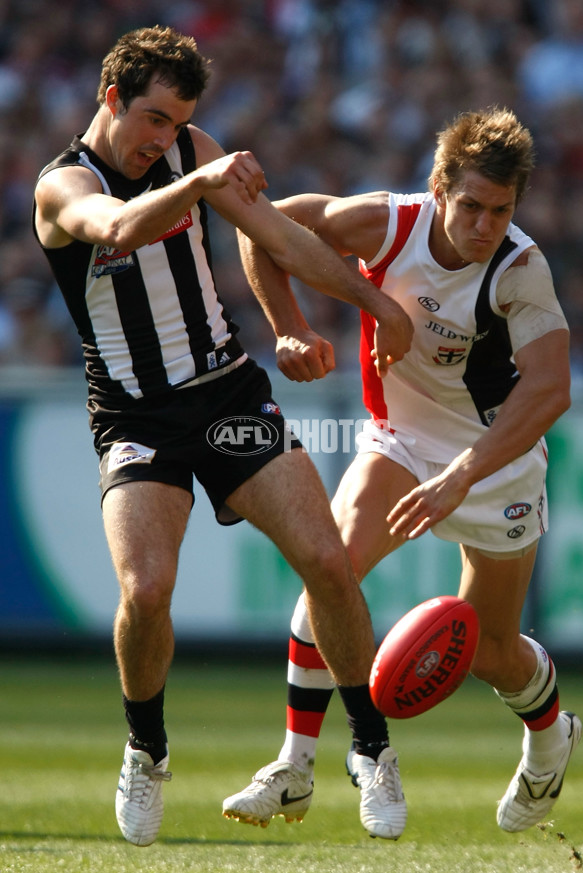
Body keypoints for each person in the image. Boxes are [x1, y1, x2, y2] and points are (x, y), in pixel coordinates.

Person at [32, 25, 414, 847]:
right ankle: (146, 747)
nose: (163, 139)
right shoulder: (61, 186)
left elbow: (277, 238)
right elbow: (116, 230)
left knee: (327, 560)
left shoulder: (191, 150)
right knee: (147, 591)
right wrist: (202, 175)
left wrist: (371, 304)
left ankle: (370, 750)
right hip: (135, 417)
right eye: (153, 120)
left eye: (177, 124)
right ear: (111, 100)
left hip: (227, 392)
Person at [222, 107, 581, 839]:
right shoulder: (388, 225)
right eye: (472, 206)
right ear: (439, 189)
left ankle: (550, 735)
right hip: (400, 440)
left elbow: (550, 389)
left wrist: (463, 477)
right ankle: (295, 765)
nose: (484, 225)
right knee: (332, 568)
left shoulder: (520, 268)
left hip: (496, 463)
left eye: (501, 210)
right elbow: (255, 221)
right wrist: (289, 323)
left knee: (489, 653)